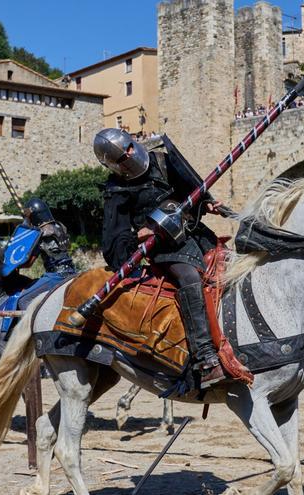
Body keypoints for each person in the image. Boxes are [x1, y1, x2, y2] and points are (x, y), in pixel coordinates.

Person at [97, 128, 233, 388]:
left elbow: (189, 192)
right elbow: (116, 238)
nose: (129, 154)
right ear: (114, 164)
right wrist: (142, 233)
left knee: (234, 266)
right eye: (123, 155)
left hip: (196, 235)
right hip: (164, 249)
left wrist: (206, 204)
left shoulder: (161, 161)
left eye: (129, 147)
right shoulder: (116, 190)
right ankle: (204, 359)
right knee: (190, 278)